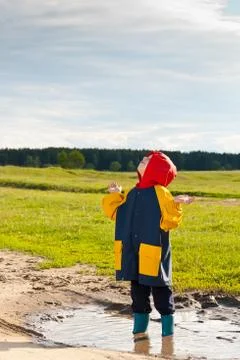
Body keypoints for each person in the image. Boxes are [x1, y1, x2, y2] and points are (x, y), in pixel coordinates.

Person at [102, 151, 193, 341]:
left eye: (147, 160)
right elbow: (118, 214)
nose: (142, 160)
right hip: (133, 251)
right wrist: (116, 194)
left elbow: (169, 222)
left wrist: (175, 204)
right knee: (137, 293)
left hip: (153, 251)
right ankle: (139, 333)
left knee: (161, 291)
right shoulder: (133, 192)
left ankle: (168, 335)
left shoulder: (161, 192)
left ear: (156, 169)